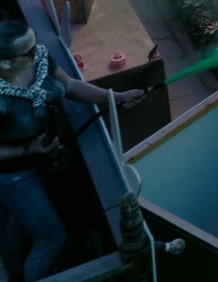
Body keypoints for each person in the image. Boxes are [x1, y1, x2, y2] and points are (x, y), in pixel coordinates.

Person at [0, 21, 143, 281]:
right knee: (50, 239)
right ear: (5, 63)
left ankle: (10, 260)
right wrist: (27, 150)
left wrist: (115, 96)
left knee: (23, 219)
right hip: (15, 173)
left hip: (44, 158)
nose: (39, 51)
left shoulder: (39, 59)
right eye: (29, 51)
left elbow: (71, 87)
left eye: (35, 43)